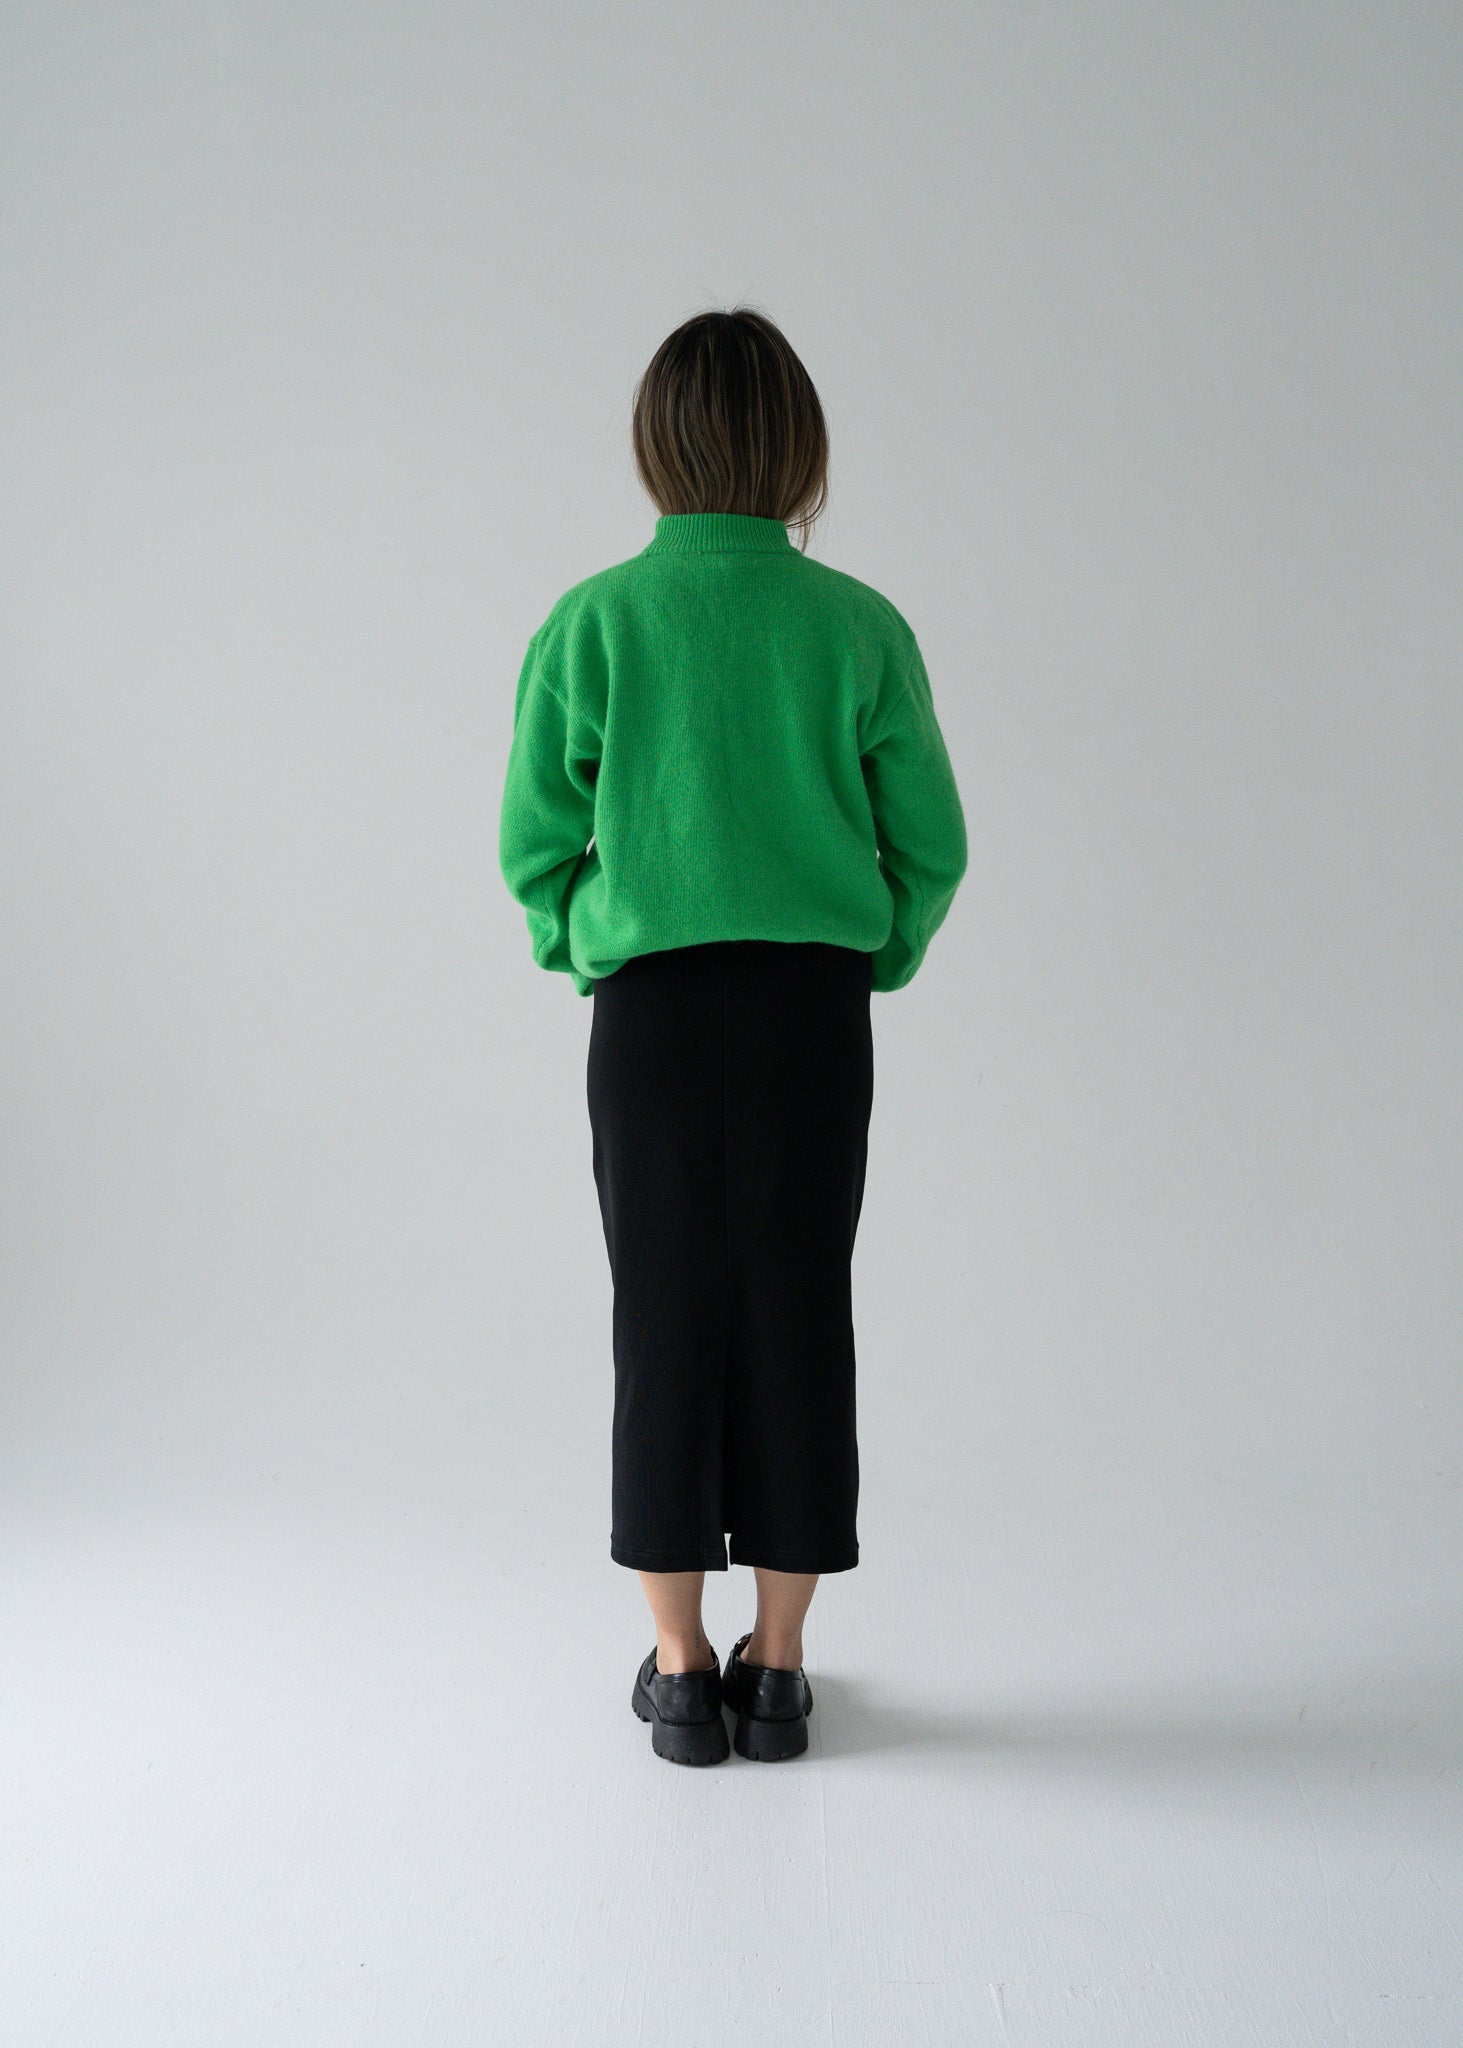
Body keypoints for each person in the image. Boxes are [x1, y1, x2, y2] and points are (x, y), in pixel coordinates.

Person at [499, 306, 968, 1765]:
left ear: (654, 448)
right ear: (800, 452)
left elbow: (535, 844)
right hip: (809, 1017)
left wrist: (585, 940)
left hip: (646, 1015)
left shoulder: (594, 621)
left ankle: (678, 1666)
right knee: (794, 1312)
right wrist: (871, 950)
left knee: (663, 1318)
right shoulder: (858, 626)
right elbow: (931, 843)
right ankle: (779, 1668)